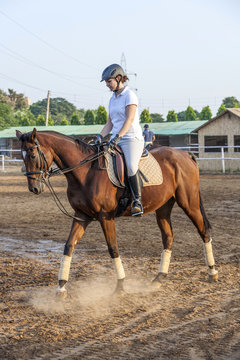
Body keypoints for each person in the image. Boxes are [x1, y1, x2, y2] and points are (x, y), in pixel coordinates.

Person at [95, 63, 144, 216]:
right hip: (115, 138)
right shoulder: (112, 99)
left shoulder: (129, 95)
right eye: (106, 82)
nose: (107, 85)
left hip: (131, 138)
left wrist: (117, 137)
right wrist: (99, 136)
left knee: (130, 166)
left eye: (109, 81)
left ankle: (137, 201)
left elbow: (129, 120)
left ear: (118, 78)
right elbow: (110, 123)